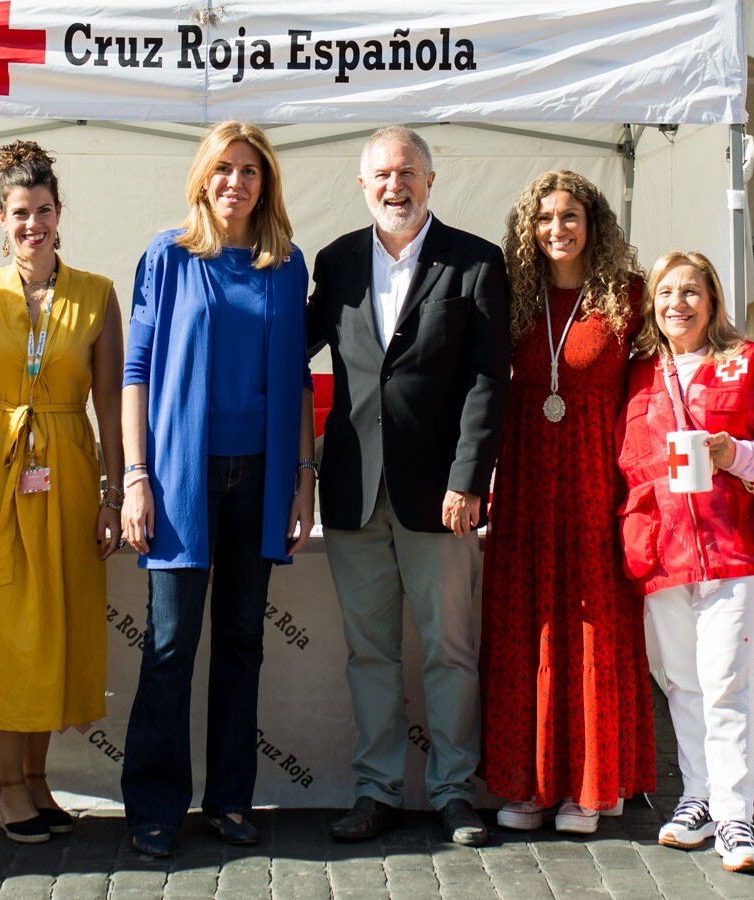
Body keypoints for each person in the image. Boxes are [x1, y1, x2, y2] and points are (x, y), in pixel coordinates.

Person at [305, 126, 509, 846]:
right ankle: (377, 789)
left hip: (441, 498)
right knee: (370, 653)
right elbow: (288, 347)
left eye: (409, 172)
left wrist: (470, 479)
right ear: (363, 185)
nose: (397, 185)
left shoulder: (476, 263)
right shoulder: (334, 263)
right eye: (383, 174)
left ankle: (455, 789)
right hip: (355, 492)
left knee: (449, 649)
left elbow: (488, 384)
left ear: (431, 180)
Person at [119, 121, 315, 858]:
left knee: (241, 643)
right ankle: (154, 805)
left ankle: (230, 799)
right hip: (179, 482)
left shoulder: (286, 265)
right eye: (225, 168)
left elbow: (296, 379)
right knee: (170, 646)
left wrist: (304, 480)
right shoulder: (167, 256)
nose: (237, 182)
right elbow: (134, 374)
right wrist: (136, 477)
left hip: (259, 479)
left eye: (251, 170)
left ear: (266, 183)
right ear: (203, 177)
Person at [0, 141, 125, 843]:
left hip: (70, 470)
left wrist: (113, 490)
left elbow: (110, 401)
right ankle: (8, 783)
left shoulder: (97, 293)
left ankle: (40, 781)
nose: (33, 225)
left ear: (59, 213)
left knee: (58, 623)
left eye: (43, 211)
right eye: (20, 213)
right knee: (7, 625)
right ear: (1, 217)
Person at [616, 251, 754, 873]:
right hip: (662, 547)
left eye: (692, 291)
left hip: (735, 549)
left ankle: (735, 815)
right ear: (652, 303)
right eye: (667, 292)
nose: (679, 303)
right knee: (682, 681)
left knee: (728, 679)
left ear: (713, 300)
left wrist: (739, 454)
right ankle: (696, 797)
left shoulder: (751, 364)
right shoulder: (637, 370)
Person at [479, 170, 656, 834]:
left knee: (593, 629)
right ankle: (528, 784)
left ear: (595, 223)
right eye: (545, 217)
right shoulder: (511, 296)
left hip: (595, 484)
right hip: (525, 485)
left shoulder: (629, 300)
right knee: (529, 628)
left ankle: (592, 784)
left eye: (570, 215)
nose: (557, 228)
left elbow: (667, 380)